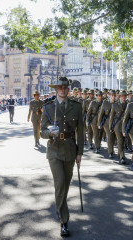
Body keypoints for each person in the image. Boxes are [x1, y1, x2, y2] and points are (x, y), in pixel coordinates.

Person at [40, 77, 84, 237]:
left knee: (65, 185)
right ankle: (64, 221)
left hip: (71, 150)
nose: (63, 90)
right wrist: (50, 133)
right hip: (54, 150)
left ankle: (59, 205)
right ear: (56, 89)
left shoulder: (77, 107)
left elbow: (80, 131)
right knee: (59, 184)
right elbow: (42, 131)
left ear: (68, 89)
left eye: (65, 87)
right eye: (60, 87)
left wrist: (80, 153)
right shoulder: (48, 107)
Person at [109, 89, 128, 164]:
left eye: (124, 96)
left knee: (123, 141)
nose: (123, 97)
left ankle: (120, 153)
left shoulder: (128, 104)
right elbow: (111, 117)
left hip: (125, 126)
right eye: (122, 96)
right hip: (117, 125)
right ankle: (122, 157)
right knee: (120, 141)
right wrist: (111, 127)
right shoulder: (115, 105)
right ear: (119, 96)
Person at [98, 89, 116, 158]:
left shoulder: (117, 103)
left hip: (115, 122)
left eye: (114, 95)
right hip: (107, 123)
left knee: (113, 137)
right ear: (109, 95)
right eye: (111, 95)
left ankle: (112, 149)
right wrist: (99, 123)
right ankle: (110, 151)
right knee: (109, 136)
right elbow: (101, 114)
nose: (113, 97)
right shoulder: (105, 103)